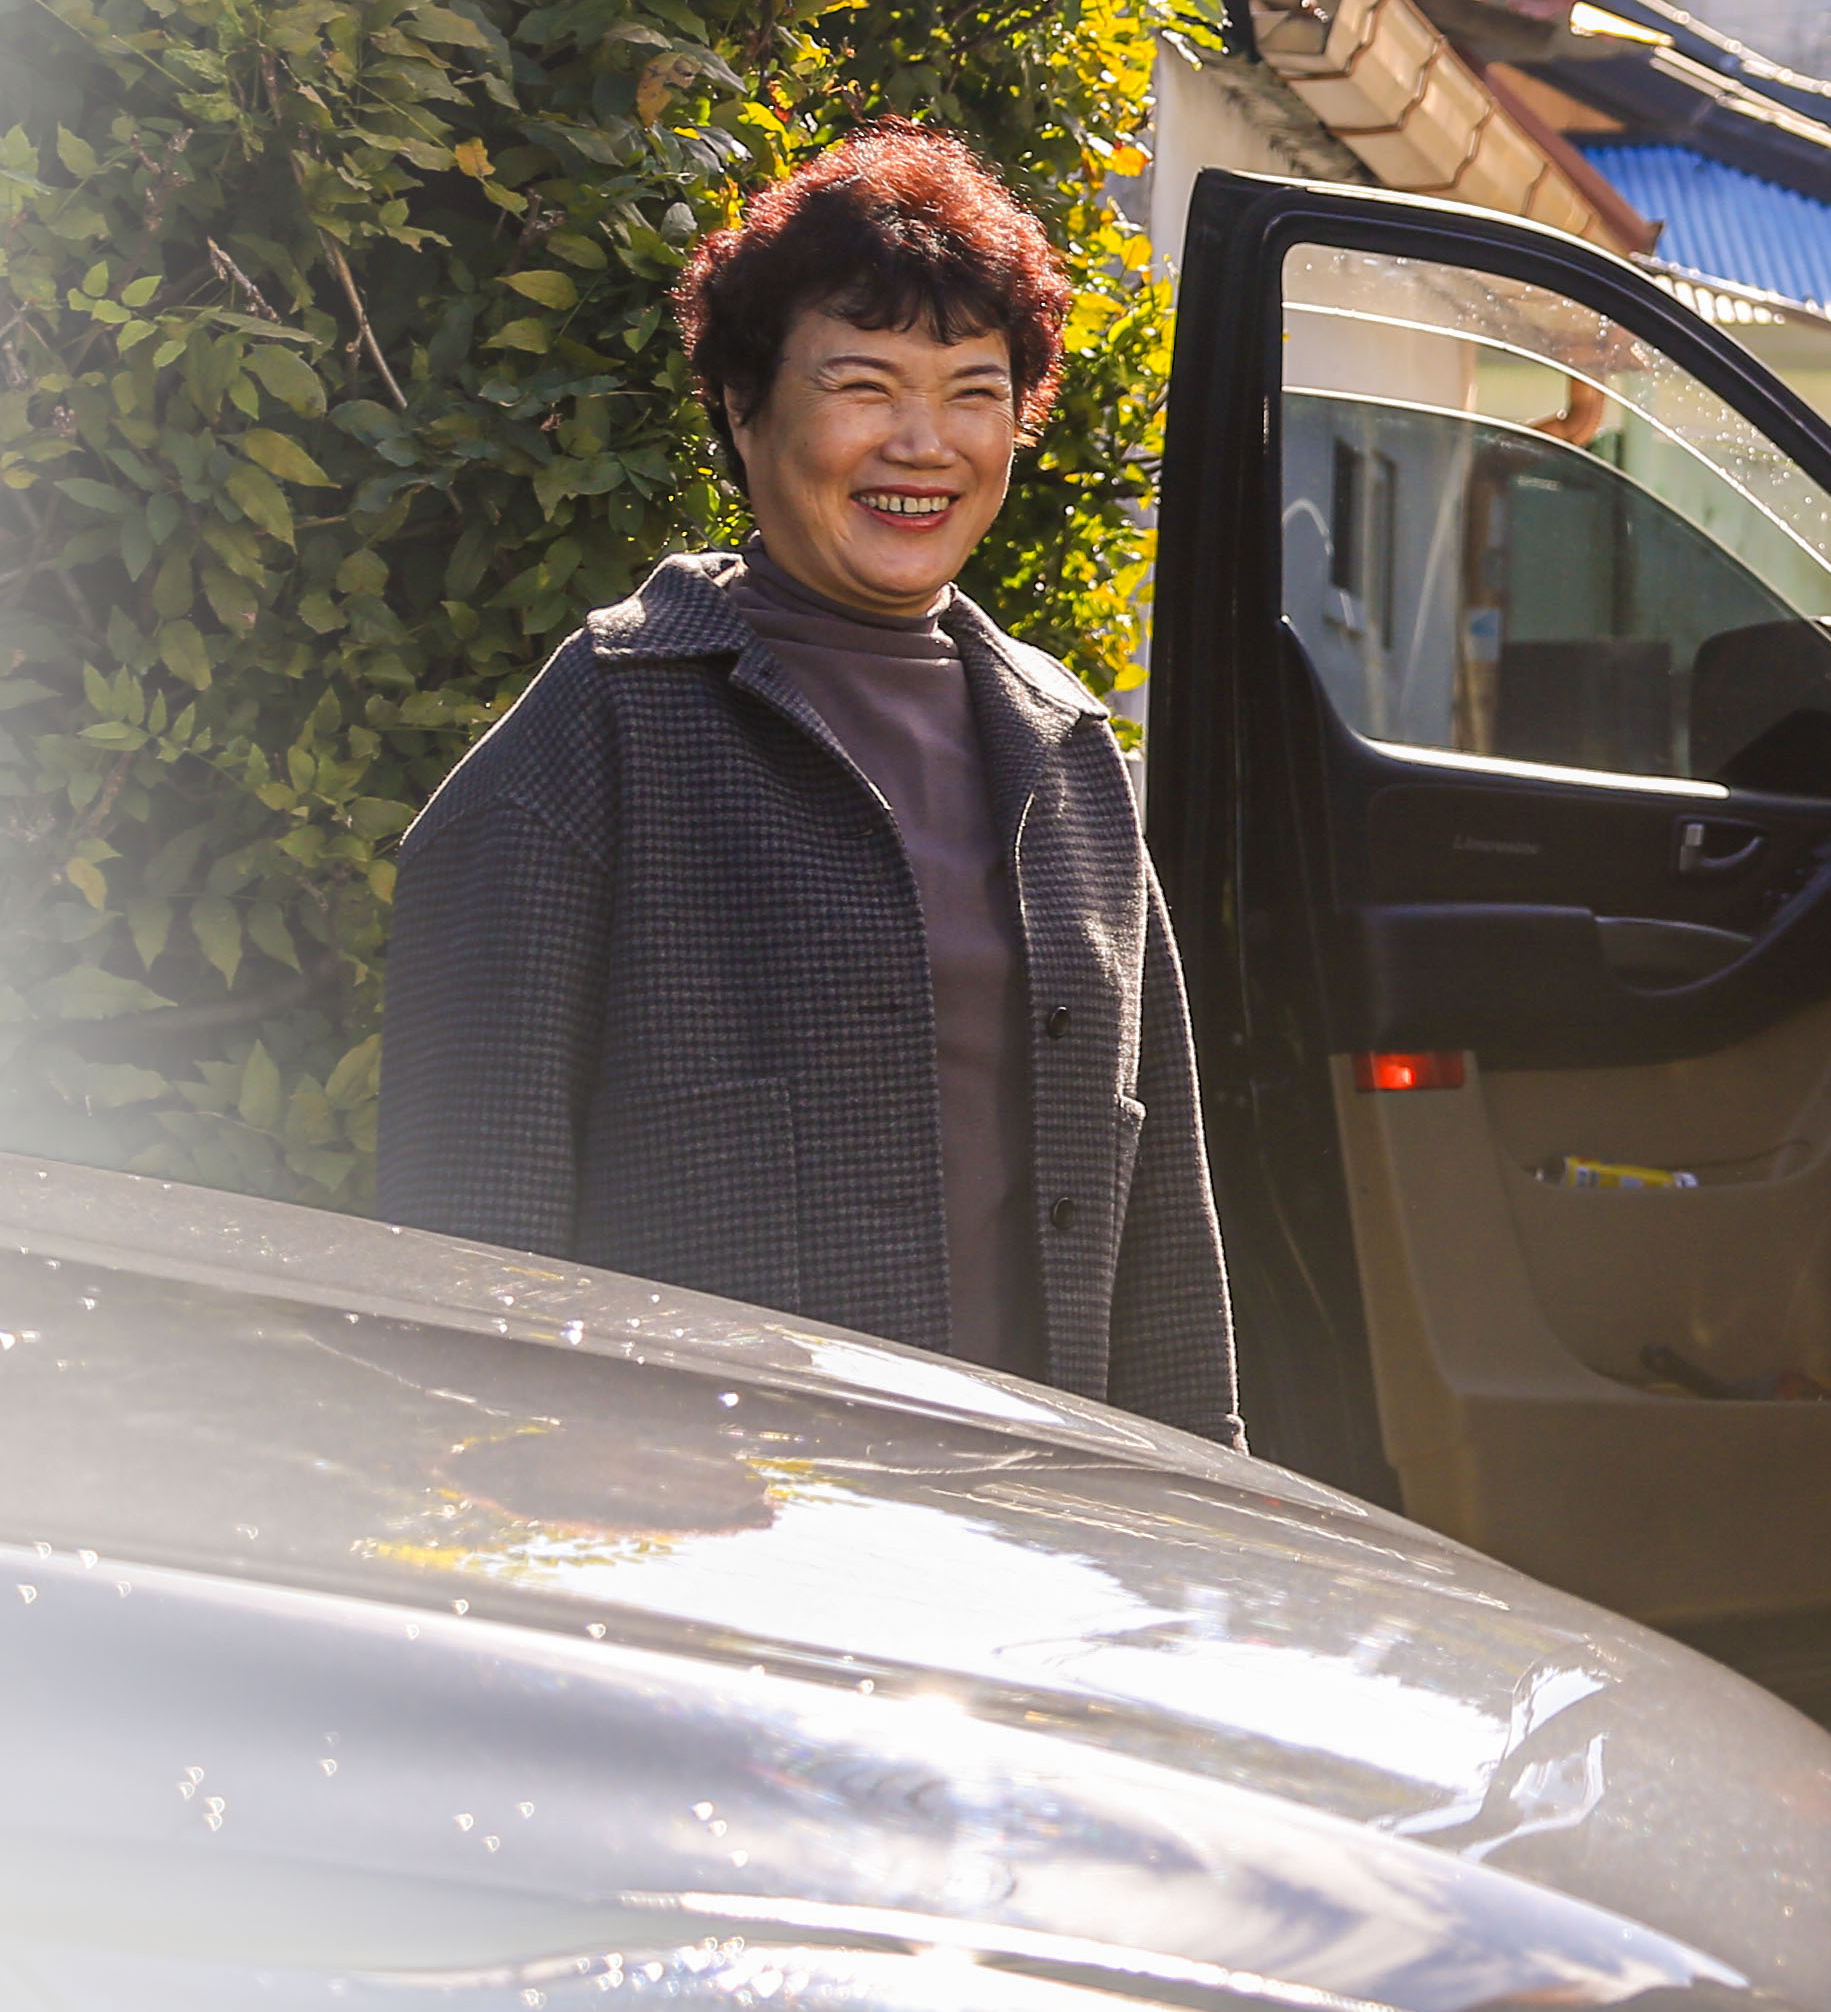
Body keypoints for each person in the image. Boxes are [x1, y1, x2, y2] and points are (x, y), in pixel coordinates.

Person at [379, 127, 1237, 1440]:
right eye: (863, 384)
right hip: (713, 1522)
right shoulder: (609, 724)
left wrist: (1192, 1503)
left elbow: (1163, 1215)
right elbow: (467, 1216)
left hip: (1022, 1516)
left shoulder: (1065, 756)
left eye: (974, 391)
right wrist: (502, 1488)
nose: (924, 443)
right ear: (743, 405)